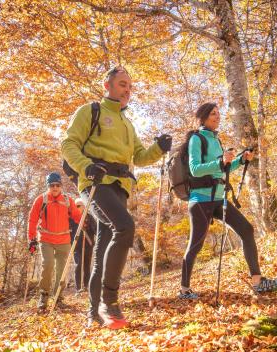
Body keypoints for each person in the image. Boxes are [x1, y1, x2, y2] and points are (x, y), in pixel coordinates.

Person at [61, 65, 172, 329]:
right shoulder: (91, 111)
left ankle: (93, 313)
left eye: (130, 87)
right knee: (124, 227)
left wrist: (158, 148)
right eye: (123, 84)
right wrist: (85, 166)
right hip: (94, 183)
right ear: (107, 85)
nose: (127, 90)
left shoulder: (127, 124)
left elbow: (140, 157)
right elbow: (68, 144)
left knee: (103, 248)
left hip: (120, 186)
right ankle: (109, 301)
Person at [178, 102, 277, 300]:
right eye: (213, 113)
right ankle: (184, 289)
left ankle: (258, 282)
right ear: (203, 117)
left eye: (218, 113)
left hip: (219, 198)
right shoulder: (197, 138)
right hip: (201, 199)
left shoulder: (216, 140)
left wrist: (241, 160)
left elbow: (222, 170)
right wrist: (220, 161)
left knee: (247, 229)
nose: (217, 116)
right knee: (196, 244)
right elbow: (195, 169)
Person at [27, 172, 82, 311]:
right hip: (46, 239)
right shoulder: (41, 200)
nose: (55, 188)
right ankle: (43, 295)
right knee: (48, 264)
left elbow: (76, 216)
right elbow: (32, 219)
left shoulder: (68, 200)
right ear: (48, 186)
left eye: (57, 185)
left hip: (64, 240)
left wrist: (84, 219)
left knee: (62, 270)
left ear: (61, 186)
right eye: (52, 185)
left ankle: (58, 297)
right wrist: (31, 238)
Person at [70, 198, 96, 292]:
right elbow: (68, 231)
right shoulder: (71, 218)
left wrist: (88, 226)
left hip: (88, 245)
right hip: (76, 246)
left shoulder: (89, 217)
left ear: (84, 206)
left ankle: (86, 286)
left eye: (78, 206)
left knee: (86, 266)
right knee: (78, 265)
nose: (76, 208)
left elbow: (96, 230)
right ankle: (78, 288)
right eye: (75, 206)